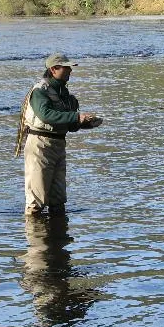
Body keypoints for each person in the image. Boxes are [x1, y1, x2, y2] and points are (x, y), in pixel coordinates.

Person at [17, 52, 102, 216]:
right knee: (36, 201)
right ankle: (37, 238)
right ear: (54, 69)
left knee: (58, 199)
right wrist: (76, 116)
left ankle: (57, 238)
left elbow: (69, 125)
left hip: (58, 145)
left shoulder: (66, 95)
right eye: (66, 68)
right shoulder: (40, 91)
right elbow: (45, 115)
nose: (70, 71)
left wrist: (85, 123)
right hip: (40, 144)